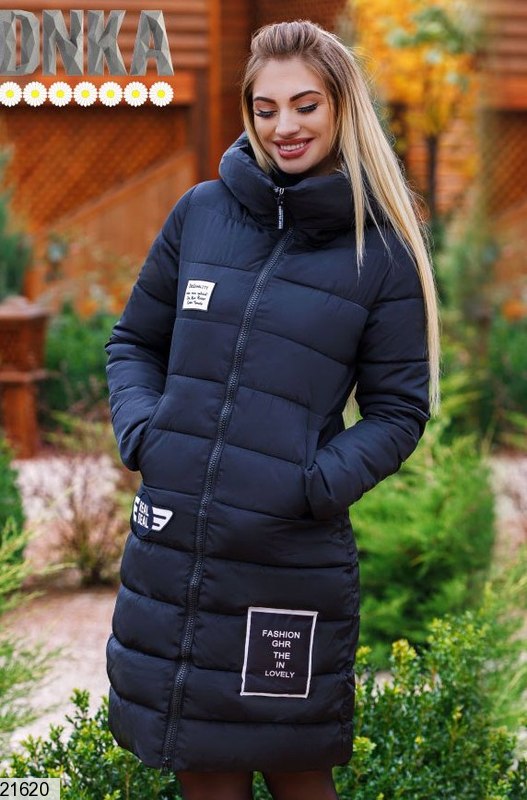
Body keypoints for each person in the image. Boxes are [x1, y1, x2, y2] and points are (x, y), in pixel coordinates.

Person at [104, 18, 440, 800]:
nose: (283, 125)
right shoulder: (201, 214)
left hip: (287, 562)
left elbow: (398, 410)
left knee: (298, 776)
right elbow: (134, 342)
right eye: (265, 108)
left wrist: (307, 486)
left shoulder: (381, 251)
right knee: (201, 769)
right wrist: (148, 435)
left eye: (304, 105)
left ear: (340, 108)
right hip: (175, 548)